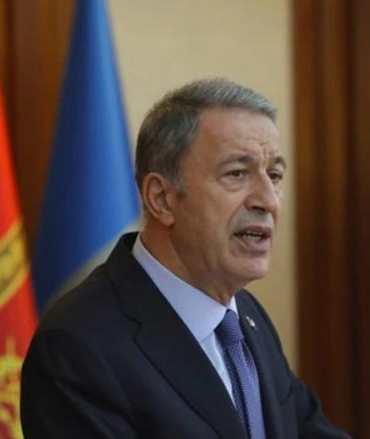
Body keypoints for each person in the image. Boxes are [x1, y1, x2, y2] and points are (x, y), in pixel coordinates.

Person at [20, 78, 350, 438]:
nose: (268, 200)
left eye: (274, 175)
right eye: (237, 174)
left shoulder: (248, 319)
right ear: (161, 198)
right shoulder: (78, 346)